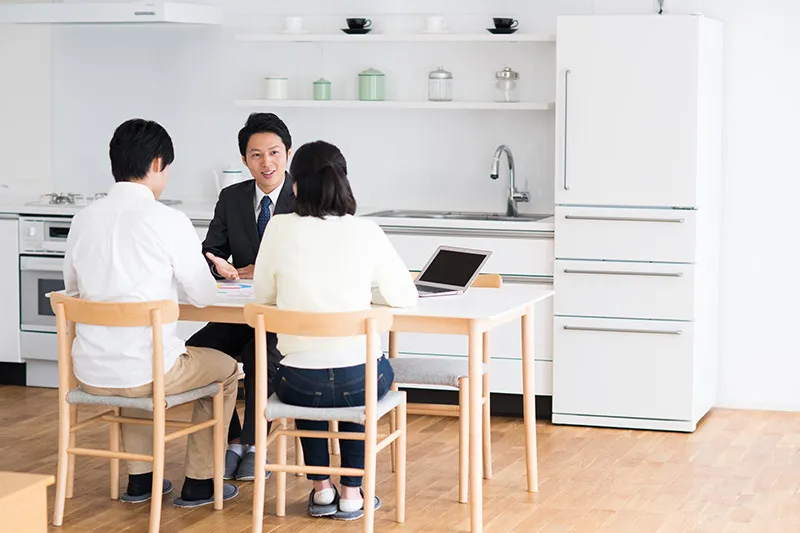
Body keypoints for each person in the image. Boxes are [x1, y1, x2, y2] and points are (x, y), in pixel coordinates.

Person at [63, 118, 239, 507]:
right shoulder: (169, 220)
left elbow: (72, 290)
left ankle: (141, 479)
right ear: (157, 163)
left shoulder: (84, 218)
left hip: (89, 371)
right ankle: (201, 481)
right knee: (226, 370)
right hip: (147, 372)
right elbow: (203, 295)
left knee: (136, 354)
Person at [252, 140, 418, 520]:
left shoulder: (278, 228)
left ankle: (321, 490)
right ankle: (352, 493)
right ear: (343, 181)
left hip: (297, 383)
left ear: (295, 185)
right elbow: (404, 296)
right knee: (357, 381)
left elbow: (263, 296)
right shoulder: (366, 230)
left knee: (306, 375)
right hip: (358, 381)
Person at [185, 112, 295, 481]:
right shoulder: (231, 197)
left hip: (285, 317)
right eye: (256, 155)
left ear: (289, 153)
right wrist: (220, 266)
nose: (267, 163)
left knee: (258, 353)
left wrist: (258, 269)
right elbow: (212, 250)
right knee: (198, 351)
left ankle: (255, 443)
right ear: (245, 160)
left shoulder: (305, 198)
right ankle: (234, 438)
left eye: (274, 153)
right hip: (240, 312)